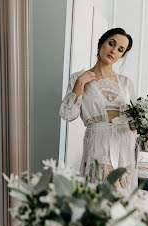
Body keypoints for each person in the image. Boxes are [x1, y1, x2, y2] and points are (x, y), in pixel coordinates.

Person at [59, 28, 138, 190]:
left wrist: (139, 126)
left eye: (120, 50)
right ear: (101, 42)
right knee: (112, 193)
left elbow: (134, 121)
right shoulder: (79, 77)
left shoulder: (126, 82)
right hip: (98, 142)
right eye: (111, 44)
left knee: (121, 200)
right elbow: (68, 114)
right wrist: (80, 84)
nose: (114, 51)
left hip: (123, 142)